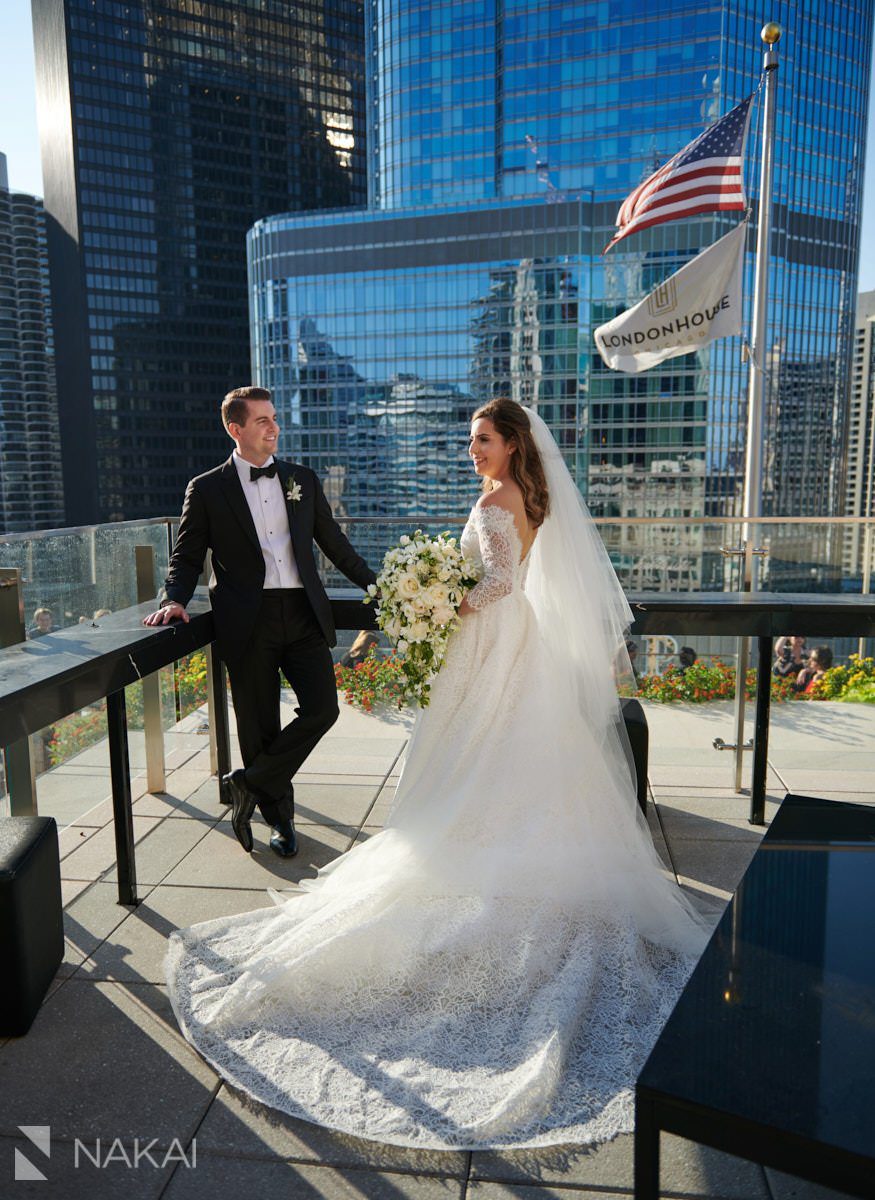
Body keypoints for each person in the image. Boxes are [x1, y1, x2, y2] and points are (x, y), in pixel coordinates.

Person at [166, 399, 710, 1150]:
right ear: (236, 428)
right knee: (499, 760)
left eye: (482, 440)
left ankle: (435, 846)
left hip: (491, 641)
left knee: (475, 754)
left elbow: (497, 583)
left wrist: (439, 600)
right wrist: (421, 592)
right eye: (469, 441)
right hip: (507, 644)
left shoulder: (497, 497)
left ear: (512, 443)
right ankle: (275, 793)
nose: (472, 452)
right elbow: (510, 574)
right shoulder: (520, 495)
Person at [144, 385, 376, 858]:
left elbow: (335, 544)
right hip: (246, 620)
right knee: (258, 725)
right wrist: (174, 599)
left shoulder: (302, 479)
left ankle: (249, 783)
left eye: (274, 418)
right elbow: (186, 556)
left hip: (304, 613)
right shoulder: (206, 488)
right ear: (236, 429)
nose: (274, 427)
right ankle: (281, 821)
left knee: (322, 709)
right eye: (262, 421)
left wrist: (377, 587)